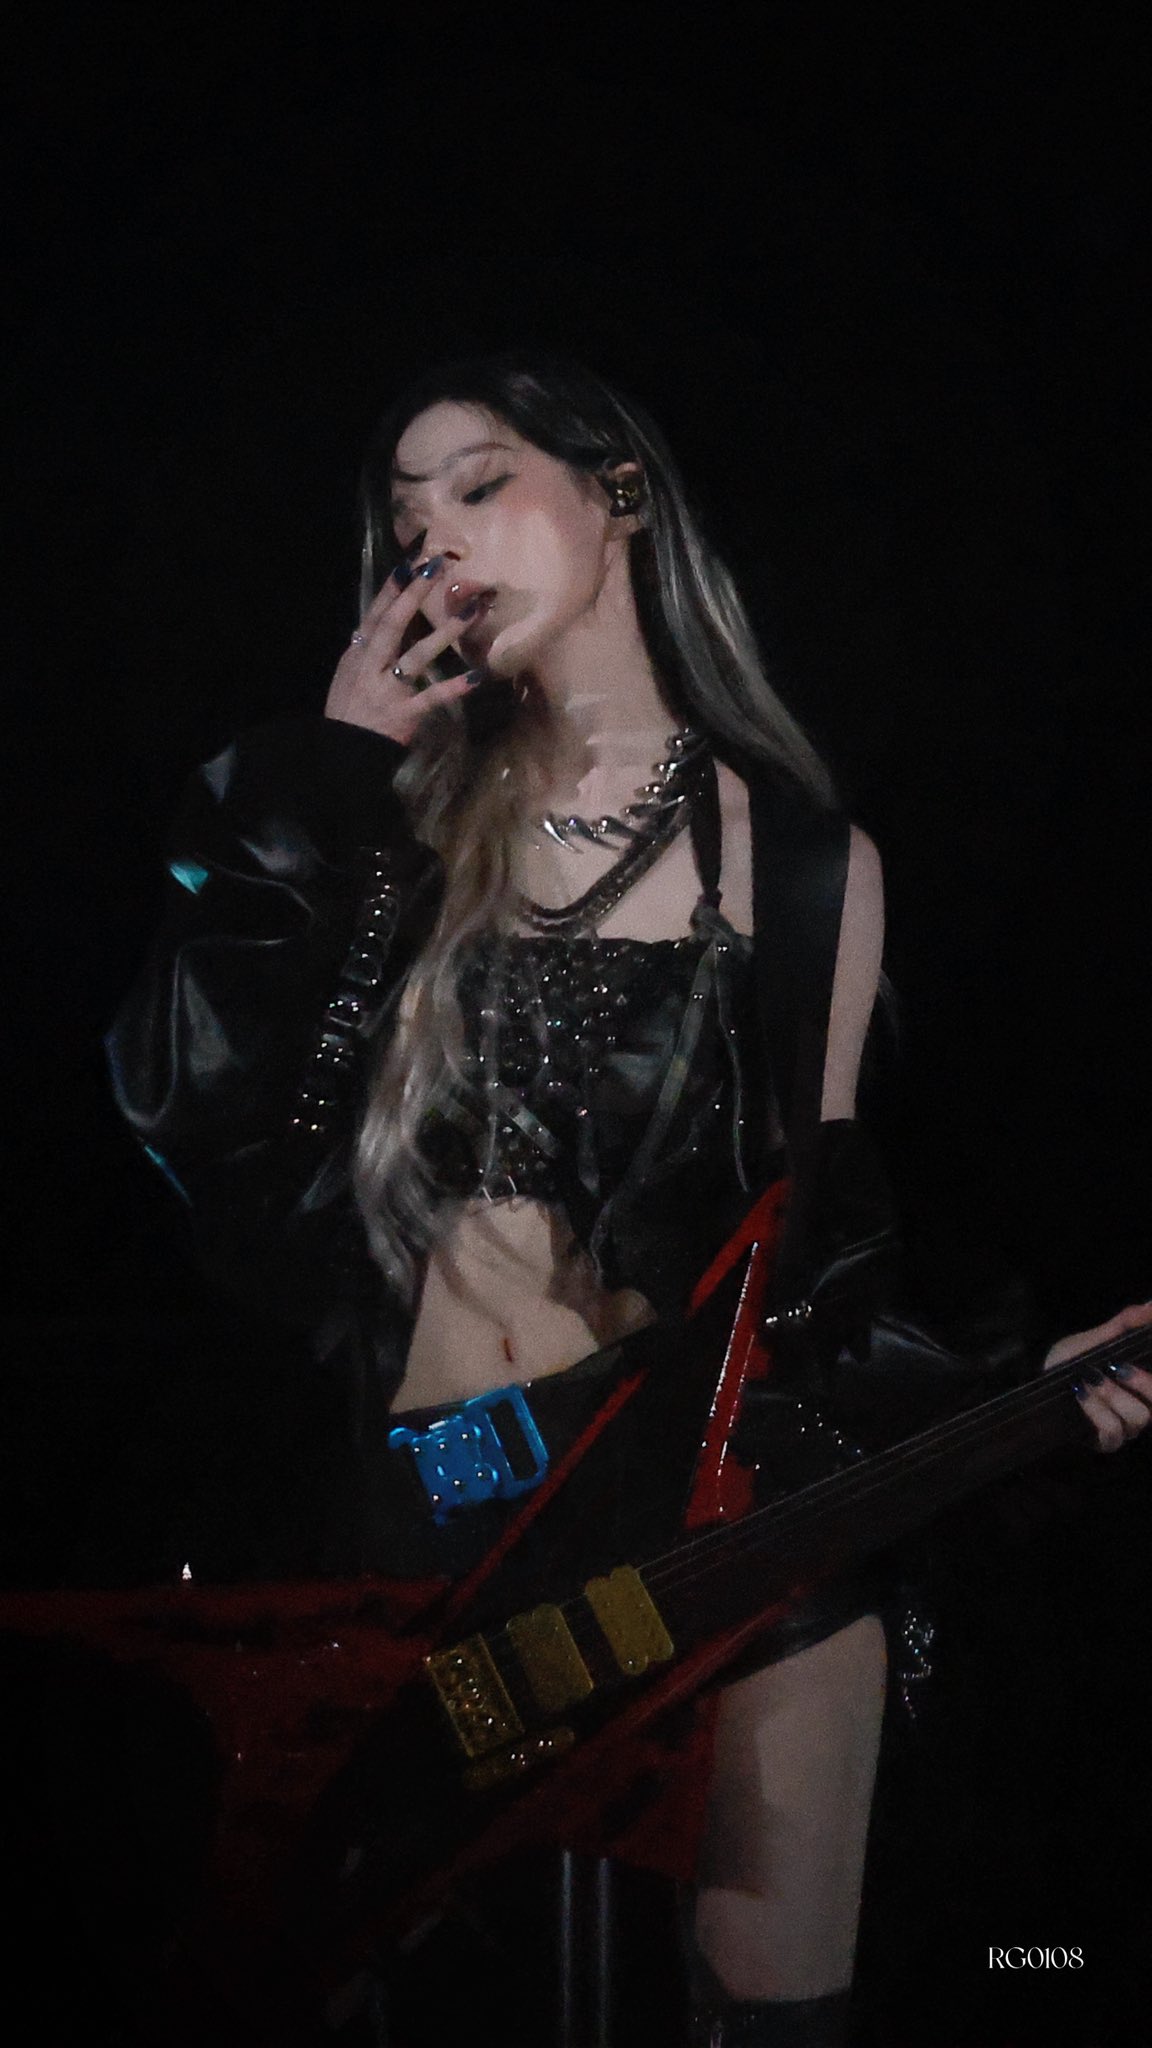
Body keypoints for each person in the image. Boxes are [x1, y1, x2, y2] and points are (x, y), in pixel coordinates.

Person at [106, 352, 1152, 2046]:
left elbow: (817, 1279)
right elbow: (201, 1114)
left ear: (621, 494)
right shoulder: (357, 814)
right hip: (431, 1533)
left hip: (696, 1526)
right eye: (406, 522)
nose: (437, 545)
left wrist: (1014, 1404)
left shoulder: (804, 866)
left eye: (479, 485)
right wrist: (332, 783)